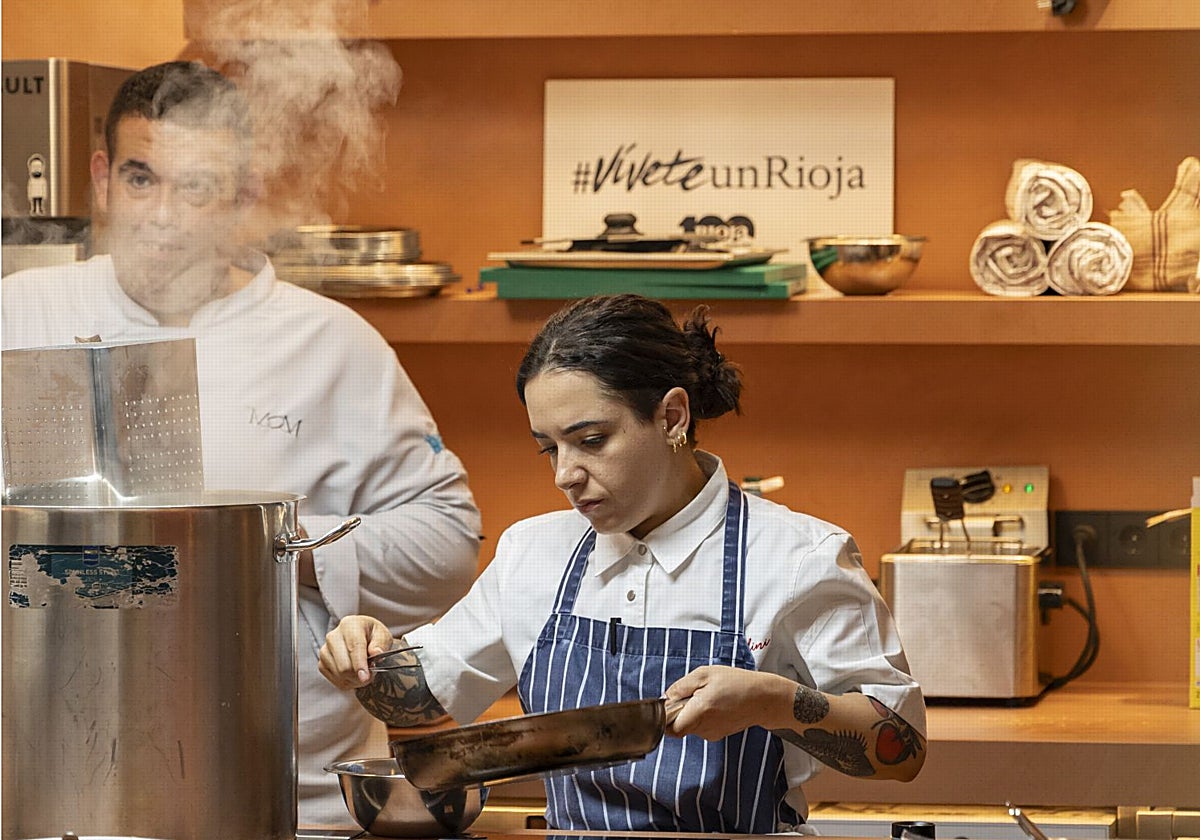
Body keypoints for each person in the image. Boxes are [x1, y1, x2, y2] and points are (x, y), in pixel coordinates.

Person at [0, 60, 482, 828]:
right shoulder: (19, 314)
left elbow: (448, 543)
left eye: (196, 188)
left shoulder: (331, 343)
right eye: (140, 178)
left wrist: (272, 546)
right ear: (101, 178)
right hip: (36, 787)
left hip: (286, 793)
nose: (162, 215)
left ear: (246, 196)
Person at [319, 294, 926, 833]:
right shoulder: (532, 552)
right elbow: (422, 698)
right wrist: (367, 657)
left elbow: (901, 749)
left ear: (671, 417)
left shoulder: (798, 557)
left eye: (591, 441)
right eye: (548, 448)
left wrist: (772, 701)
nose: (564, 475)